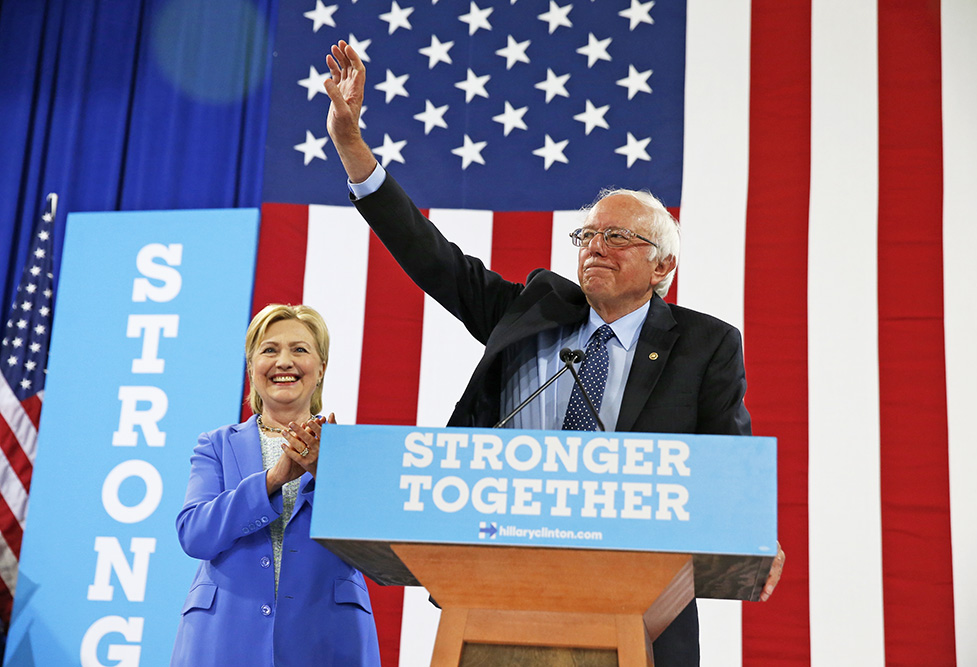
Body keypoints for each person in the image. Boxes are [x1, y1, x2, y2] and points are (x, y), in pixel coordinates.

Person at [323, 40, 784, 666]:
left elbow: (723, 464)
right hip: (494, 592)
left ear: (662, 267)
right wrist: (354, 147)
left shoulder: (705, 346)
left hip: (638, 612)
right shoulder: (533, 311)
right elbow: (432, 257)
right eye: (587, 235)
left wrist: (751, 529)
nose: (595, 246)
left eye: (618, 236)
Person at [170, 304, 380, 666]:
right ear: (252, 368)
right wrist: (274, 479)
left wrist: (327, 474)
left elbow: (377, 549)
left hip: (328, 638)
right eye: (270, 350)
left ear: (321, 369)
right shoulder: (216, 445)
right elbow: (195, 535)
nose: (285, 361)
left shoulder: (352, 450)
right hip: (224, 639)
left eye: (300, 350)